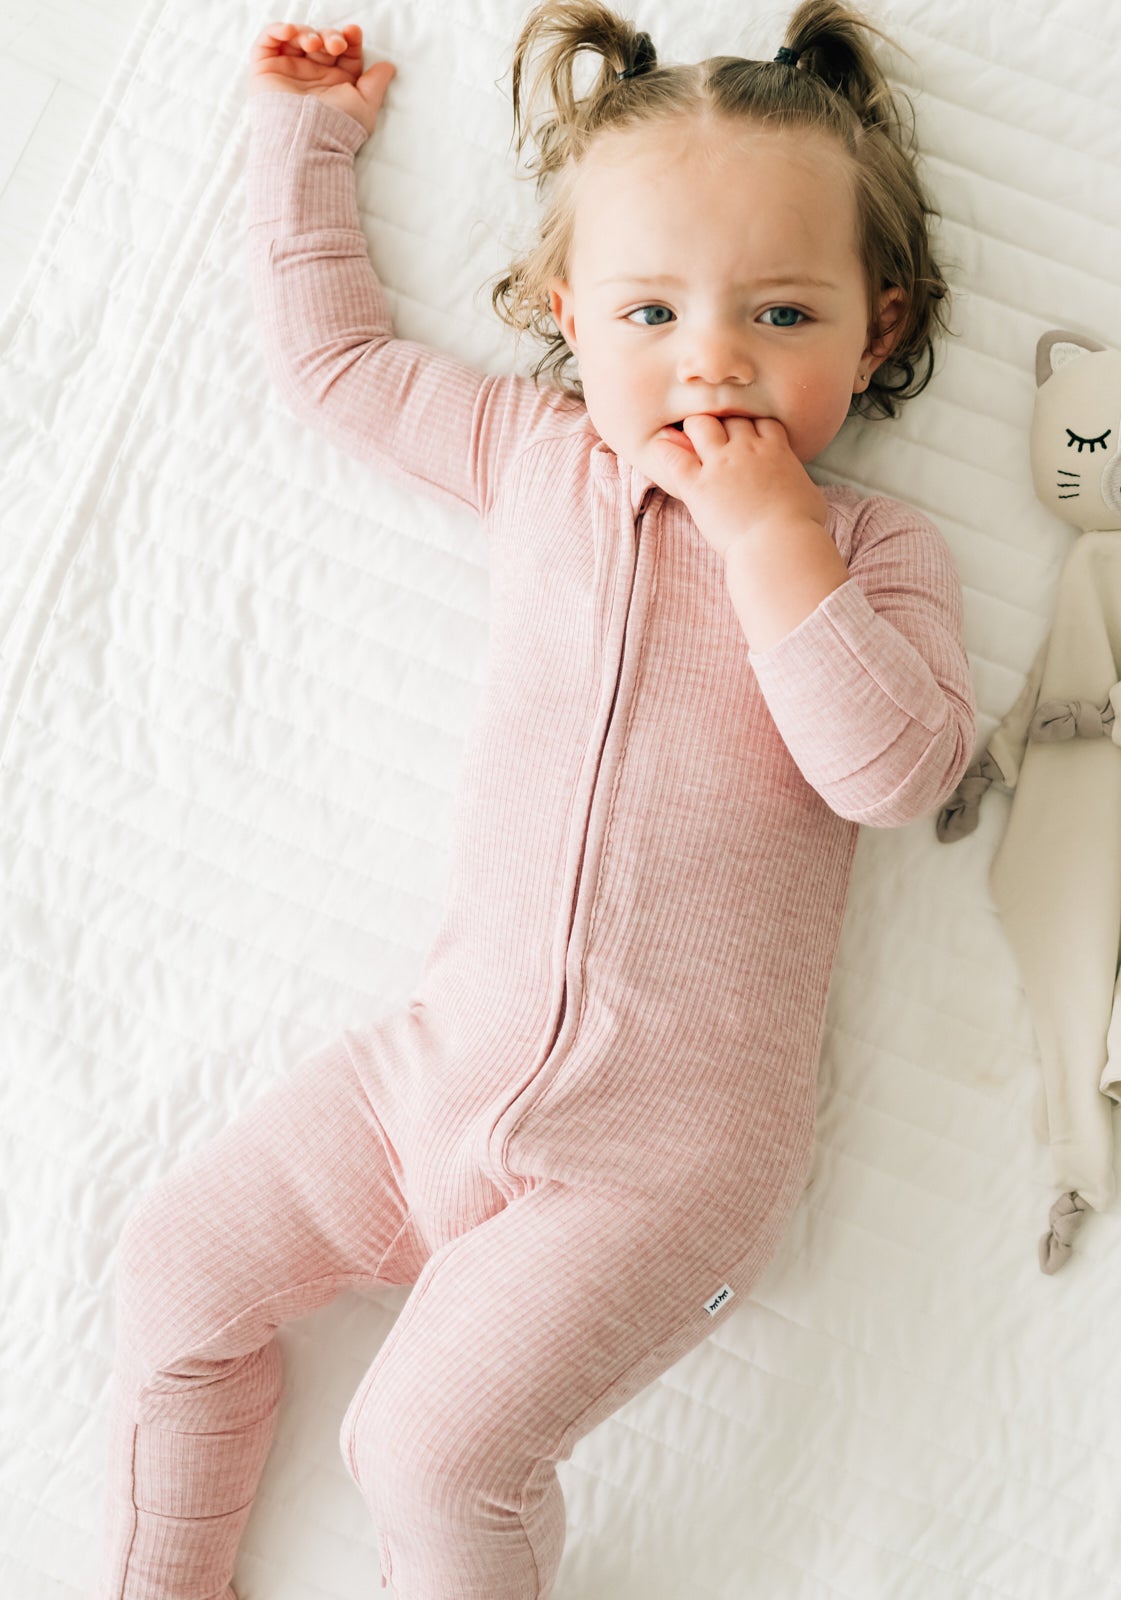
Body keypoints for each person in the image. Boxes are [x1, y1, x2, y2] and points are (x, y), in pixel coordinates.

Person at [97, 2, 974, 1594]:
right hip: (426, 1077)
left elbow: (896, 772)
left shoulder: (874, 554)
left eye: (782, 313)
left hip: (664, 1172)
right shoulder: (535, 455)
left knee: (427, 1456)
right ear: (571, 316)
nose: (713, 358)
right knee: (170, 1268)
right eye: (652, 311)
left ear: (878, 330)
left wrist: (773, 536)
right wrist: (306, 140)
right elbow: (339, 365)